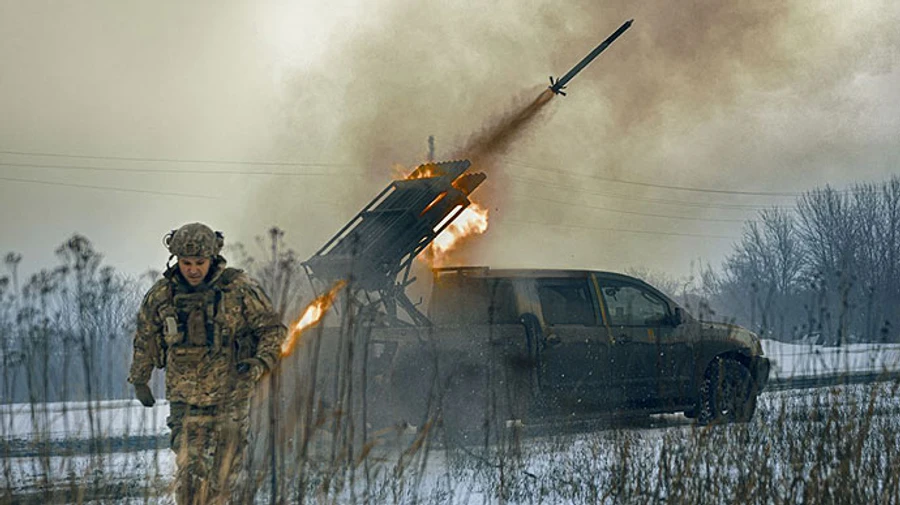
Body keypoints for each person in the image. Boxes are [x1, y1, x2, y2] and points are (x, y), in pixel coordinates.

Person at [128, 222, 286, 504]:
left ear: (212, 258)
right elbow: (145, 337)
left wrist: (259, 364)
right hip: (185, 401)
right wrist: (140, 379)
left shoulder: (238, 289)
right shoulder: (161, 295)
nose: (192, 269)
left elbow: (272, 331)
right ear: (176, 259)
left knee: (223, 480)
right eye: (186, 262)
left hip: (231, 398)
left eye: (199, 262)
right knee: (190, 476)